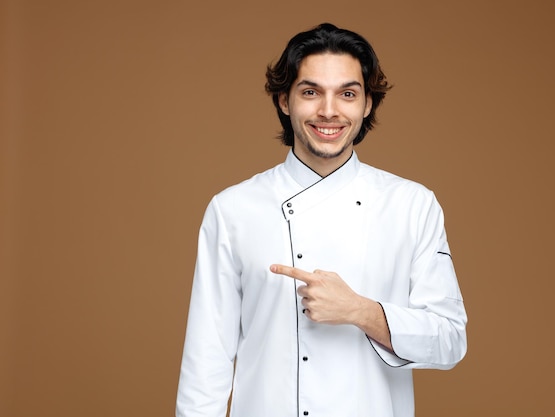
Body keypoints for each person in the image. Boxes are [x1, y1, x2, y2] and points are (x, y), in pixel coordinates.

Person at [176, 23, 467, 417]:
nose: (329, 111)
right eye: (310, 92)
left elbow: (450, 341)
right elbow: (206, 362)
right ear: (284, 101)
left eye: (347, 94)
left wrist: (359, 311)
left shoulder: (412, 205)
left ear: (366, 105)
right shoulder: (233, 209)